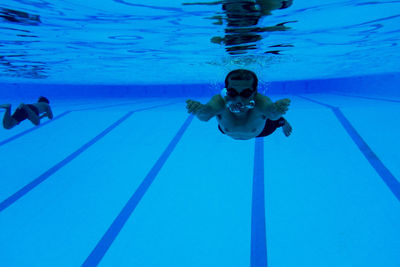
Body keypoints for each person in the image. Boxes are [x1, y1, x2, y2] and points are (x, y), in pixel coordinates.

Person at [186, 69, 292, 140]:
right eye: (232, 93)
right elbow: (206, 115)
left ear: (255, 93)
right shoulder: (220, 101)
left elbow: (272, 114)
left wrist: (277, 110)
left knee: (277, 120)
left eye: (246, 94)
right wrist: (200, 111)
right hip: (227, 129)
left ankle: (284, 122)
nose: (238, 100)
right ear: (226, 91)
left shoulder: (261, 101)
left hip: (262, 130)